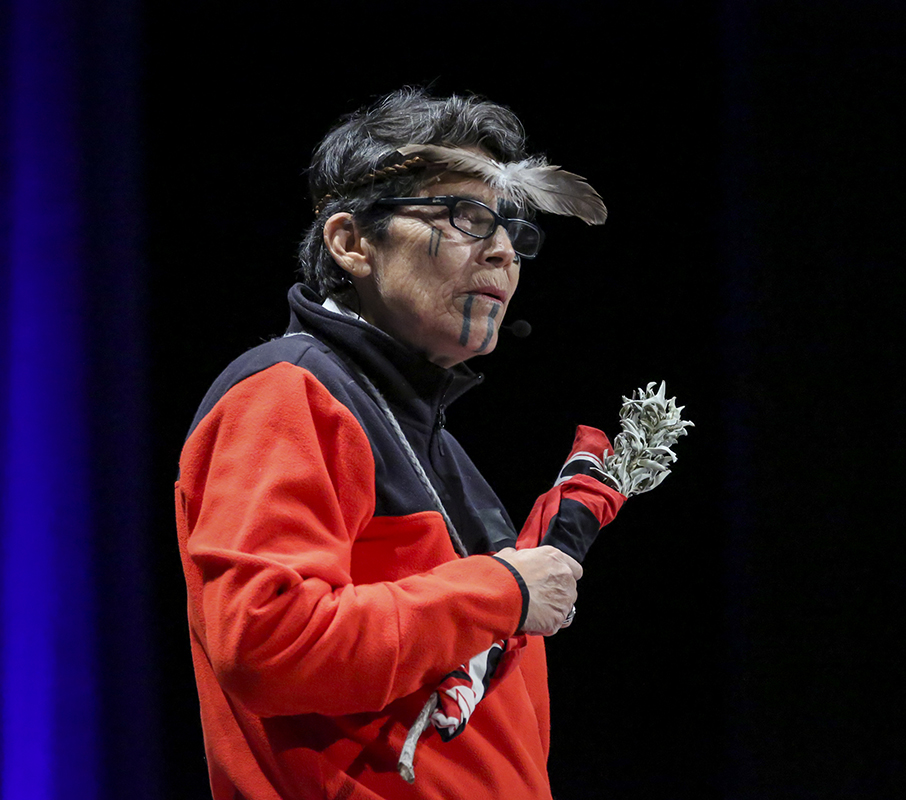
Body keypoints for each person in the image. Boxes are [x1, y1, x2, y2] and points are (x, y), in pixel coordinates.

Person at [174, 88, 624, 799]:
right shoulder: (287, 394)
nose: (504, 250)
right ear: (351, 243)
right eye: (467, 218)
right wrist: (500, 589)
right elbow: (268, 642)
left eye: (512, 228)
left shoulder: (428, 433)